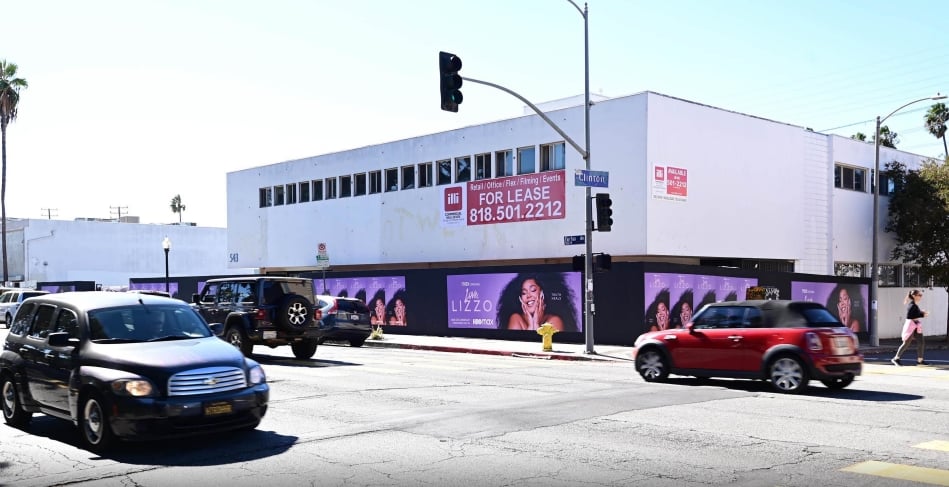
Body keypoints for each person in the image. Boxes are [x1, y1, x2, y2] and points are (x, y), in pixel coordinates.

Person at [496, 273, 579, 332]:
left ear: (542, 293)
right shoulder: (516, 318)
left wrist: (536, 324)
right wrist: (530, 326)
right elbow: (515, 352)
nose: (528, 296)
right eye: (524, 293)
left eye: (533, 290)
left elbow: (547, 352)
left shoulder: (554, 320)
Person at [891, 289, 929, 366]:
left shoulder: (915, 305)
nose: (921, 296)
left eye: (921, 295)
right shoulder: (912, 305)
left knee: (921, 342)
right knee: (906, 343)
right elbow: (910, 316)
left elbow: (915, 313)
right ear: (914, 296)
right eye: (919, 295)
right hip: (911, 326)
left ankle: (920, 360)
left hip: (916, 325)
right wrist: (922, 315)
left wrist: (921, 313)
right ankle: (896, 358)